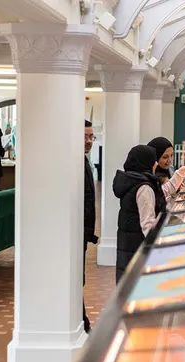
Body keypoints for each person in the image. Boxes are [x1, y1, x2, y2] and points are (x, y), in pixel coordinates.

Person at [113, 147, 185, 284]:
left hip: (130, 246)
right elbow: (148, 226)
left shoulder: (136, 181)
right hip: (137, 249)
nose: (156, 164)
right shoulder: (144, 188)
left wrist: (179, 173)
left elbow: (161, 193)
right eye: (153, 161)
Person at [83, 120, 98, 334]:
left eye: (90, 137)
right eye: (84, 137)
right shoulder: (77, 163)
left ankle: (83, 321)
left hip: (82, 233)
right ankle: (83, 322)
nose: (88, 141)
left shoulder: (84, 162)